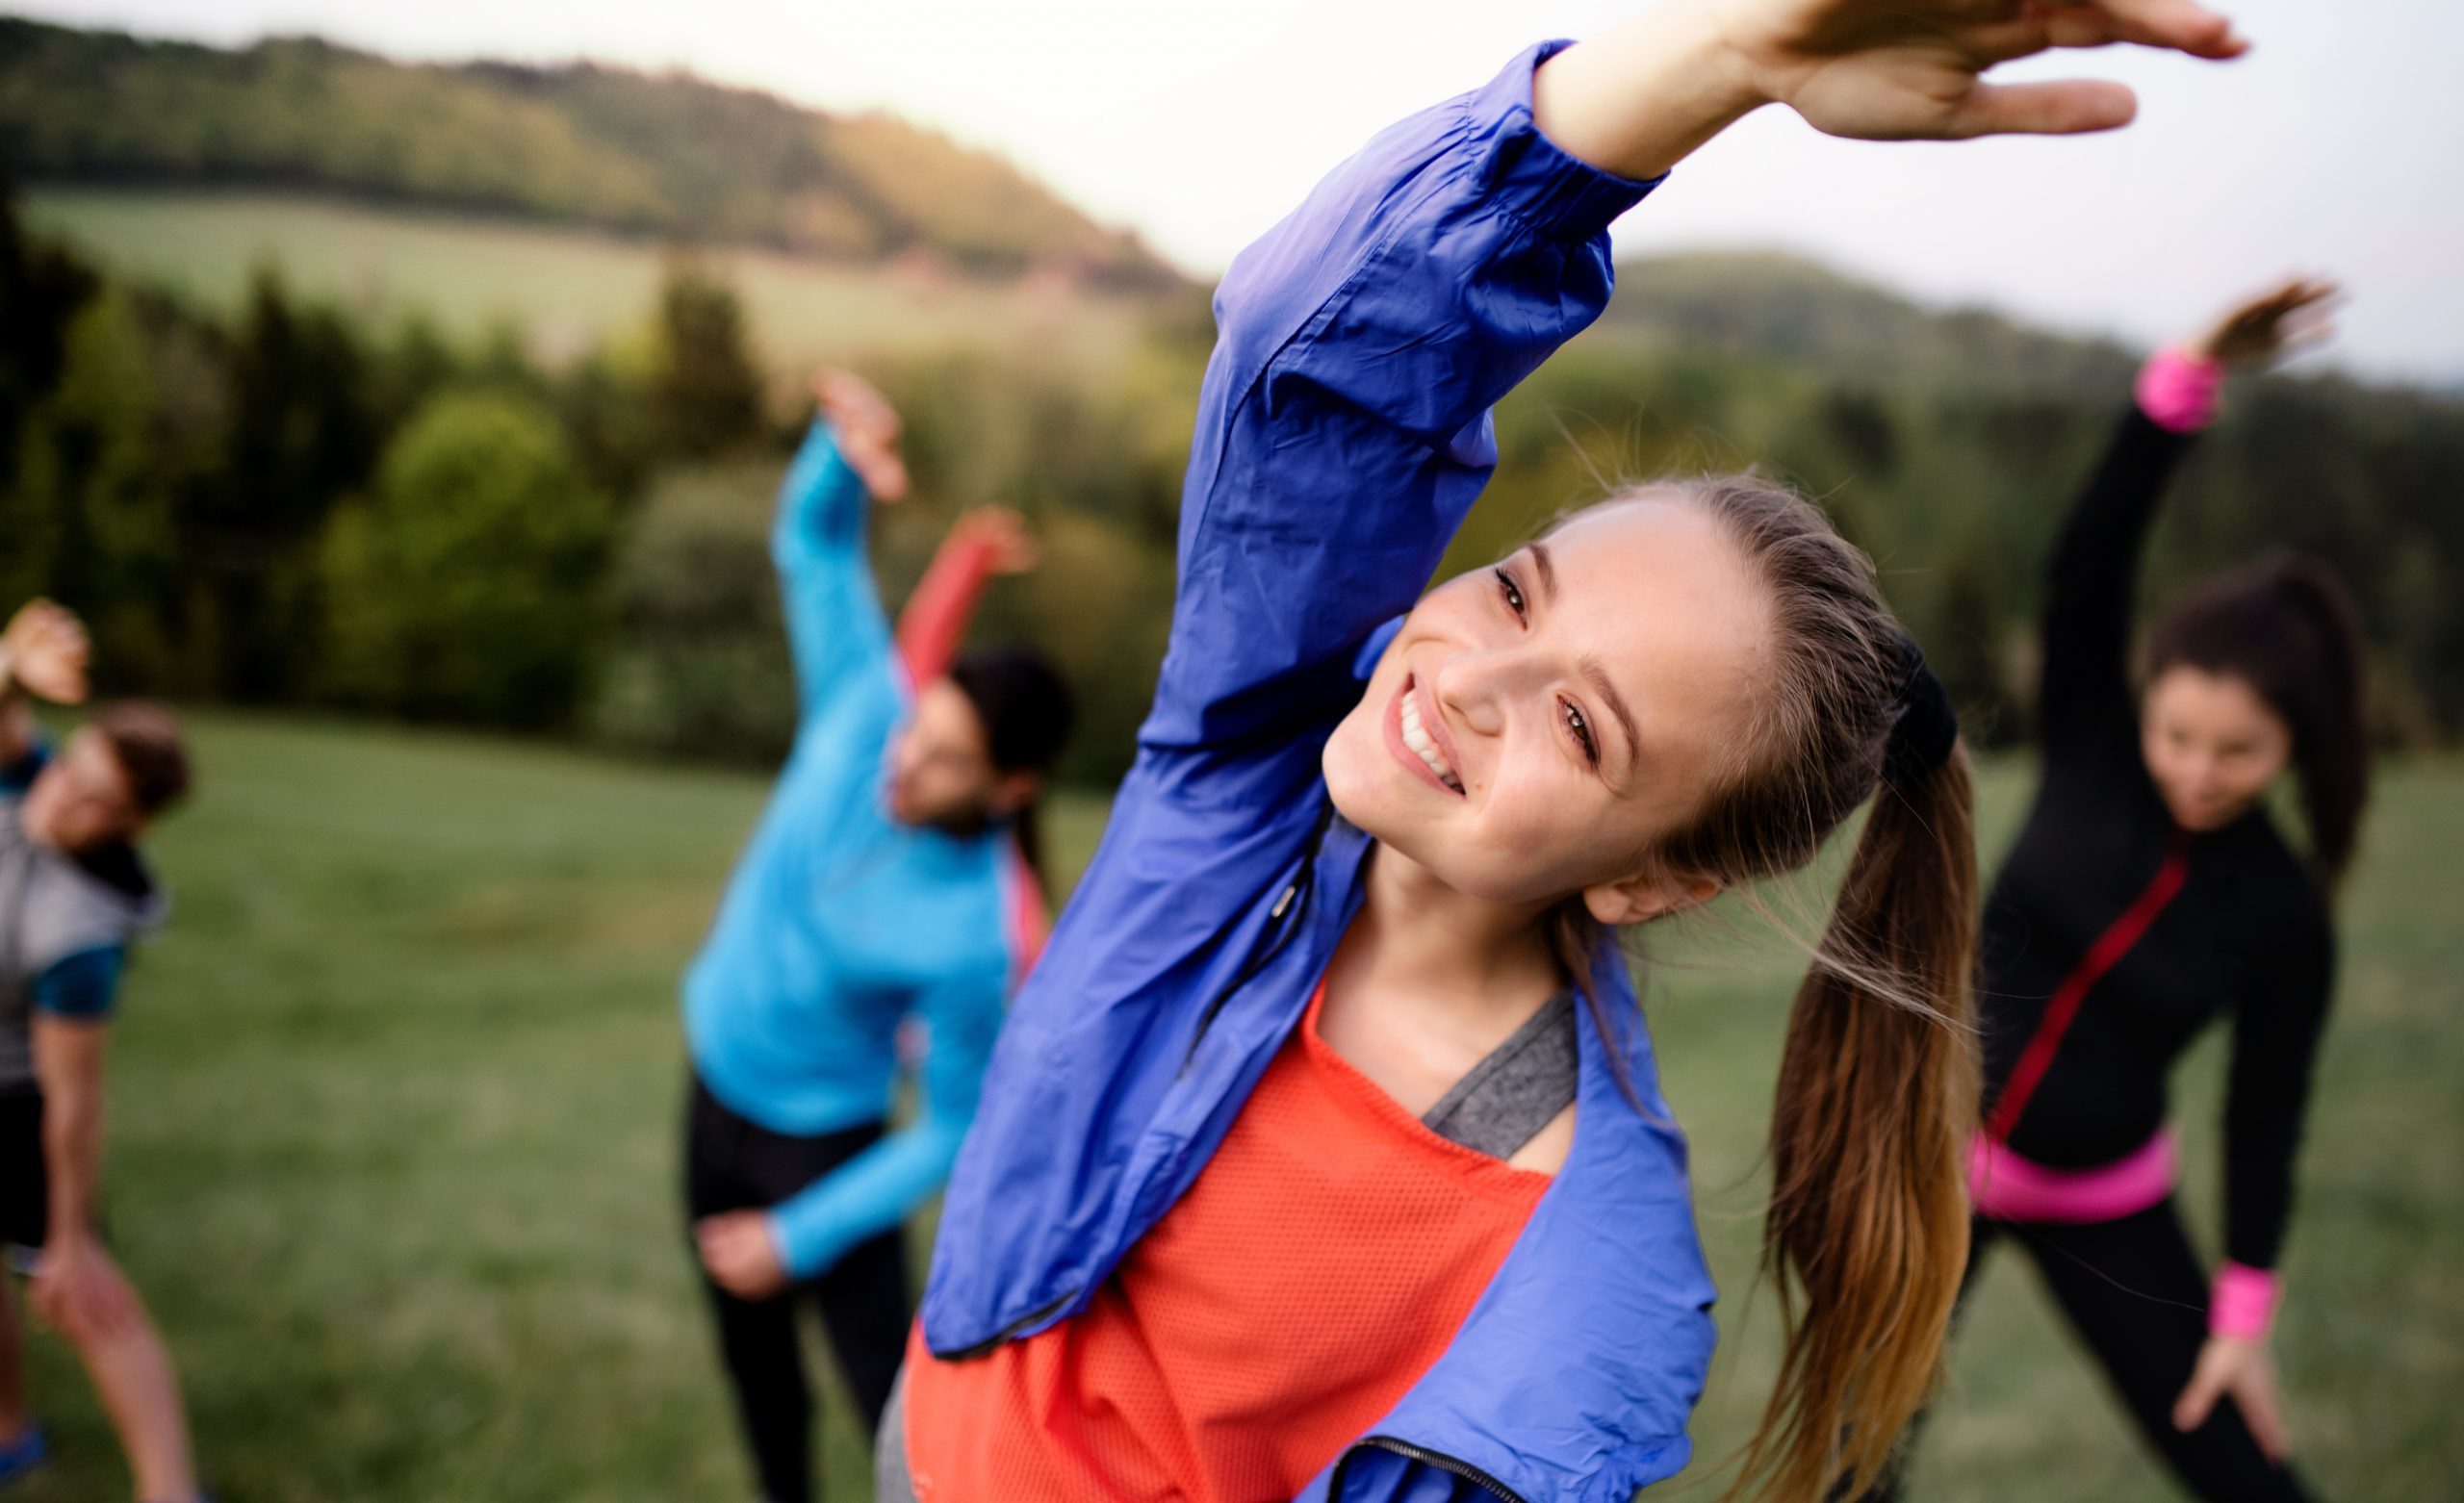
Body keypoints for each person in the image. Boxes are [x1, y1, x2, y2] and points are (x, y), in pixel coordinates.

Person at [882, 3, 2249, 1500]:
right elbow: (1319, 366)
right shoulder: (1251, 767)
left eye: (1585, 725)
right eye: (1521, 584)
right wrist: (1722, 65)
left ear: (1662, 874)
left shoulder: (1568, 1304)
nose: (1475, 674)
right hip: (924, 1428)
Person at [1869, 279, 2363, 1501]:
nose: (2196, 771)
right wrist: (2183, 379)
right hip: (1939, 1159)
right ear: (2145, 701)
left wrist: (2242, 1309)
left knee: (2249, 1477)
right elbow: (2092, 557)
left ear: (2290, 747)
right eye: (2178, 733)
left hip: (2109, 1203)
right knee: (1851, 1460)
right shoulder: (2095, 743)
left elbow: (2266, 1110)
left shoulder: (2283, 910)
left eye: (2236, 752)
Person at [680, 369, 1073, 1503]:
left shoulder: (976, 933)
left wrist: (798, 1233)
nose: (905, 764)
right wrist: (839, 454)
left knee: (889, 1402)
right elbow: (811, 543)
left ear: (1009, 788)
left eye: (945, 760)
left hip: (821, 1144)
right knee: (754, 1372)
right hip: (710, 1089)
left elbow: (952, 1125)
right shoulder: (866, 710)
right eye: (921, 732)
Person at [0, 599, 204, 1503]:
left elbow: (72, 1099)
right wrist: (12, 665)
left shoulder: (78, 938)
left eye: (96, 804)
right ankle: (10, 1433)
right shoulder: (32, 778)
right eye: (71, 772)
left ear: (128, 826)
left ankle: (171, 1492)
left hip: (17, 1102)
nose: (63, 801)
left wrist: (71, 1235)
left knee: (89, 1298)